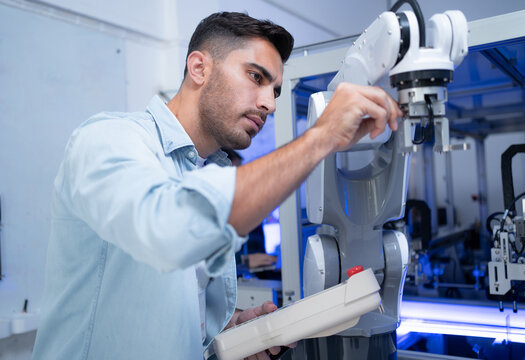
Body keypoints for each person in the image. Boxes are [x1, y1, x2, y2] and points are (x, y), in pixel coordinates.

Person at [32, 11, 400, 360]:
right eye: (257, 78)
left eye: (275, 90)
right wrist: (320, 137)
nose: (269, 103)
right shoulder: (109, 138)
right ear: (199, 68)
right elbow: (168, 229)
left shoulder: (207, 170)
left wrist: (223, 335)